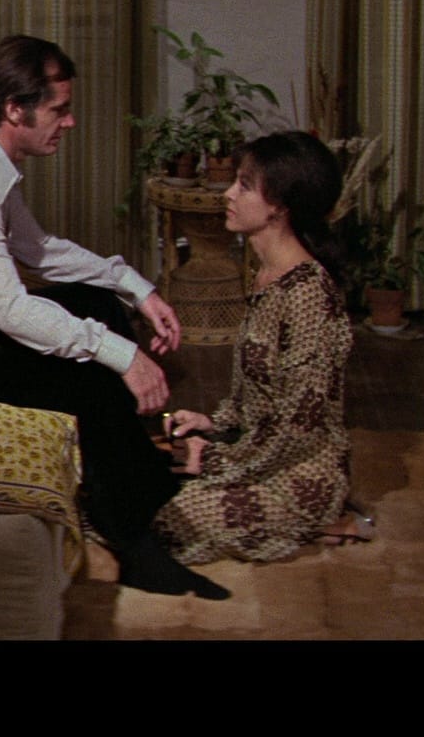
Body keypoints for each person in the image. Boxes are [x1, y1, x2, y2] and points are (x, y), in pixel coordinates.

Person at [0, 34, 227, 598]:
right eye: (59, 109)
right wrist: (125, 356)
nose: (70, 122)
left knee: (95, 303)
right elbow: (11, 310)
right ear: (15, 109)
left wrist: (137, 289)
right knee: (87, 373)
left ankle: (141, 481)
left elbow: (39, 250)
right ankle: (134, 544)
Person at [154, 130, 362, 565]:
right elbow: (258, 392)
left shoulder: (307, 296)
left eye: (244, 185)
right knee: (130, 485)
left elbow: (297, 427)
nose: (229, 194)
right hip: (255, 455)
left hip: (295, 475)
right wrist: (213, 423)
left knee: (159, 518)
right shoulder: (267, 276)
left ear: (279, 207)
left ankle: (323, 521)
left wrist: (212, 460)